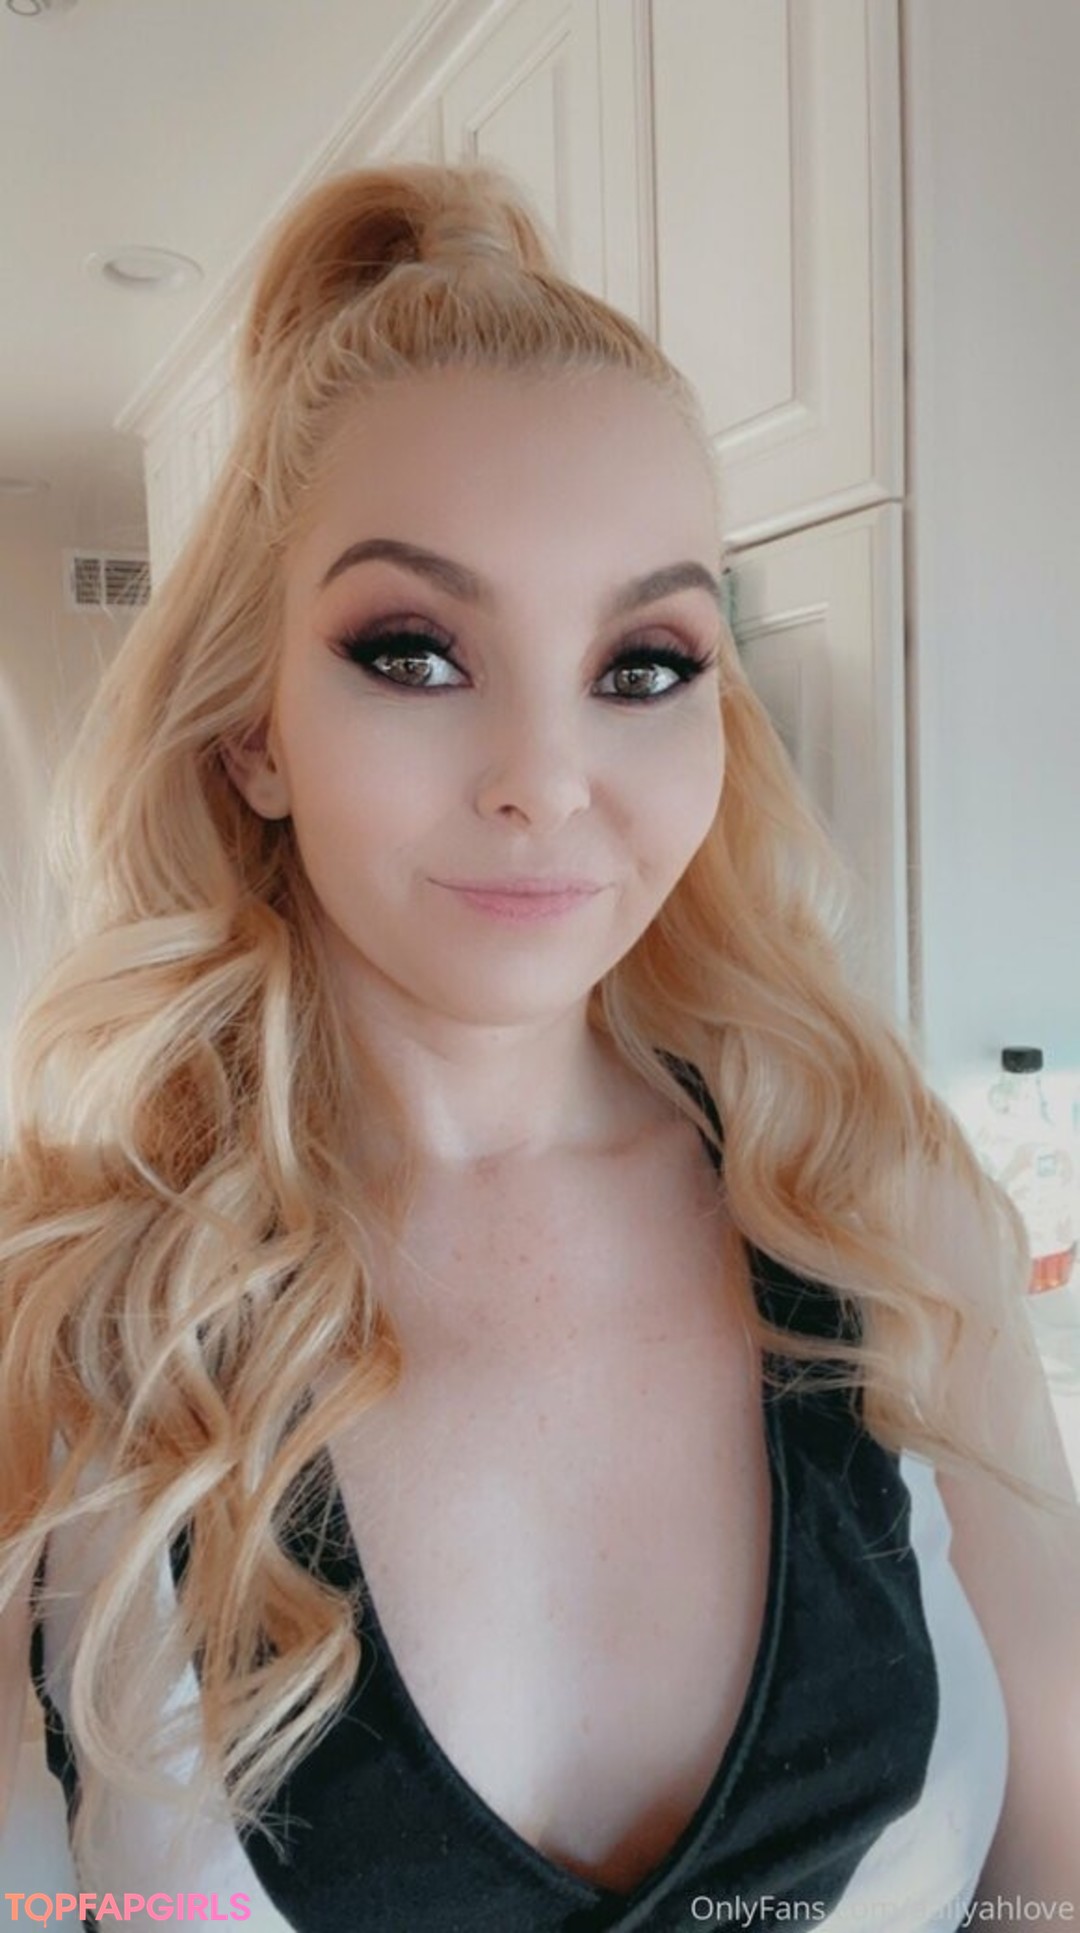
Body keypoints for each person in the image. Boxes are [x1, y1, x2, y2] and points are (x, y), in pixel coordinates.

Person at [1, 158, 1077, 1933]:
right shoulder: (66, 1318)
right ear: (254, 731)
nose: (546, 780)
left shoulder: (880, 1208)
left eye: (643, 662)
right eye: (416, 652)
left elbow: (1053, 1871)